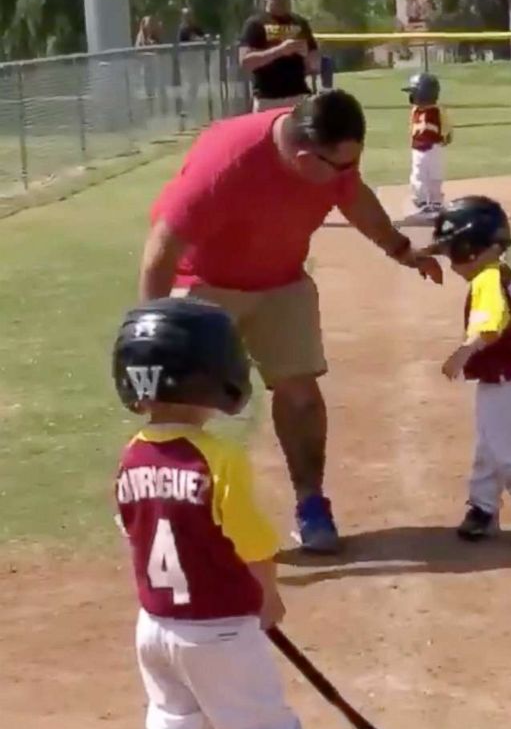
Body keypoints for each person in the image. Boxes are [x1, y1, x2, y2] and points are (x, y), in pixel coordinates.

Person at [112, 296, 395, 729]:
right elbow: (253, 543)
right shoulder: (216, 457)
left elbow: (132, 529)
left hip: (156, 627)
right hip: (218, 631)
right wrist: (266, 599)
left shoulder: (132, 456)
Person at [139, 89, 442, 556]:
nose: (347, 174)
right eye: (338, 166)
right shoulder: (226, 164)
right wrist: (152, 335)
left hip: (282, 283)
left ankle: (311, 505)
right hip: (205, 285)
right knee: (177, 405)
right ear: (303, 158)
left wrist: (400, 249)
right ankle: (176, 519)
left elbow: (353, 196)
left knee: (300, 396)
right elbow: (162, 247)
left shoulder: (331, 162)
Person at [423, 196, 511, 545]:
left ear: (472, 247)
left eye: (453, 252)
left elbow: (492, 324)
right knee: (488, 453)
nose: (451, 263)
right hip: (500, 384)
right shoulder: (497, 271)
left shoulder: (489, 280)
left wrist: (465, 351)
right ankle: (483, 508)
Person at [240, 0, 320, 112]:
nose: (282, 0)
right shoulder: (255, 24)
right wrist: (280, 51)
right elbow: (246, 62)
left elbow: (315, 63)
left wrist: (307, 56)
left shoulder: (300, 23)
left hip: (298, 97)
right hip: (268, 99)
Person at [401, 72, 452, 221]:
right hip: (418, 149)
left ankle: (435, 204)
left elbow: (446, 126)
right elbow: (412, 127)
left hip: (434, 147)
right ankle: (423, 203)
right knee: (418, 176)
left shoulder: (437, 110)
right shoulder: (415, 110)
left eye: (414, 93)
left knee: (435, 176)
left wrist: (446, 137)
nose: (412, 97)